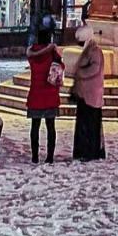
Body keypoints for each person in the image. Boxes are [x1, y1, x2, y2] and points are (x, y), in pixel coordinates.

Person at [25, 20, 63, 164]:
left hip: (35, 95)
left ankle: (35, 156)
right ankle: (49, 157)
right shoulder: (52, 55)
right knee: (50, 127)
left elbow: (30, 55)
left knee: (35, 127)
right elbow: (61, 66)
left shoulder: (32, 55)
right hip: (50, 95)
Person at [71, 24, 105, 161]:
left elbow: (94, 70)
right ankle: (83, 151)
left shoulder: (94, 51)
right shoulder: (89, 50)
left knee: (90, 125)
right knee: (84, 124)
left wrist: (80, 73)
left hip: (91, 95)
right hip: (84, 94)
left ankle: (90, 152)